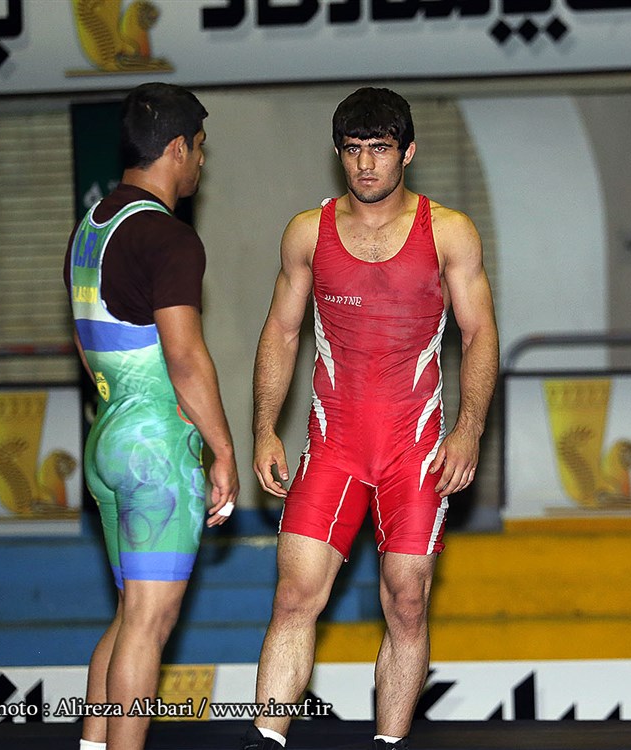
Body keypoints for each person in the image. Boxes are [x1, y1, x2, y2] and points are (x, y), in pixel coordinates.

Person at [245, 87, 499, 750]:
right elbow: (281, 331)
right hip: (333, 446)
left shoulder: (449, 232)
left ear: (407, 153)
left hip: (413, 450)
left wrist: (469, 427)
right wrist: (264, 427)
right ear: (338, 153)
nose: (365, 164)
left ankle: (389, 743)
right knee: (295, 595)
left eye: (380, 149)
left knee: (406, 599)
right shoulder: (309, 232)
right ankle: (265, 740)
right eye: (354, 149)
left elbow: (479, 334)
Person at [65, 82, 239, 750]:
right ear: (176, 148)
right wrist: (221, 449)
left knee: (129, 614)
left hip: (108, 436)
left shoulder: (91, 228)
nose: (202, 163)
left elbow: (86, 343)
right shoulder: (168, 238)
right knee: (148, 622)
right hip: (156, 451)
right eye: (200, 148)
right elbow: (186, 358)